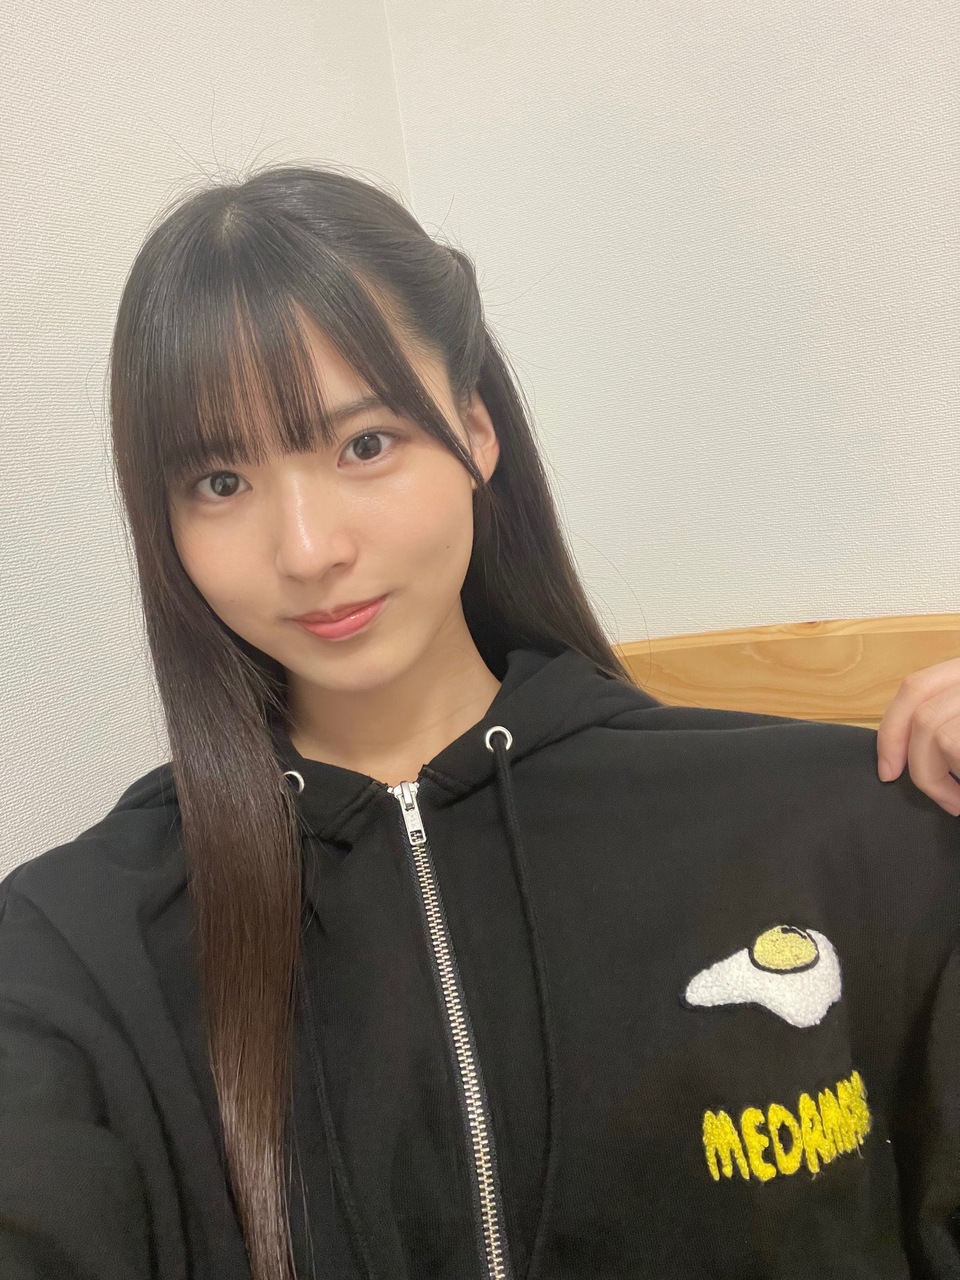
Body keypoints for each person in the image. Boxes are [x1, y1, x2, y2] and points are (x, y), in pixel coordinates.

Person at [1, 165, 957, 1280]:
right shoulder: (70, 951)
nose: (306, 549)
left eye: (364, 444)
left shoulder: (835, 832)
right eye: (220, 481)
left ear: (475, 430)